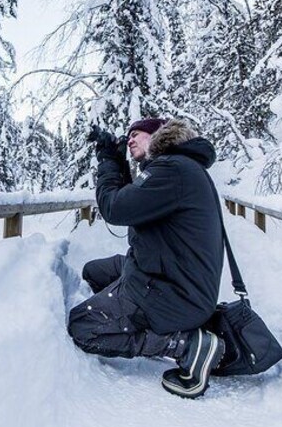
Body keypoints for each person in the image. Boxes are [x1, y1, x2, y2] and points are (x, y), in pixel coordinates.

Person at [67, 117, 225, 399]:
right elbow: (135, 202)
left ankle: (184, 344)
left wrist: (106, 161)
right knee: (94, 271)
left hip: (171, 293)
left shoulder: (172, 169)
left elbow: (115, 208)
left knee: (82, 326)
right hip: (172, 278)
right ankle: (126, 315)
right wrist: (117, 162)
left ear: (158, 137)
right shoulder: (179, 168)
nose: (129, 140)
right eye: (128, 136)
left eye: (137, 134)